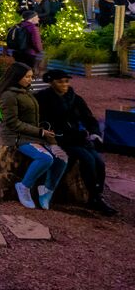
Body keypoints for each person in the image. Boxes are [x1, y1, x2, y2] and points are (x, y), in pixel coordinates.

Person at [35, 69, 117, 216]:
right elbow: (42, 121)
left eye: (66, 81)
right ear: (52, 82)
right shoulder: (43, 98)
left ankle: (97, 195)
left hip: (77, 137)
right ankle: (94, 197)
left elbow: (88, 118)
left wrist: (94, 133)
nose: (64, 84)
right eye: (60, 81)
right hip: (59, 138)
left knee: (99, 162)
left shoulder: (74, 98)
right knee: (87, 160)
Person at [0, 62, 68, 210]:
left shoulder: (25, 91)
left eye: (31, 76)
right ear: (17, 77)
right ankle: (23, 187)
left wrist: (44, 132)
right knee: (45, 158)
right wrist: (40, 132)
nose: (30, 80)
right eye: (27, 77)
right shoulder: (8, 95)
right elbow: (12, 123)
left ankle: (46, 191)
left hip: (32, 133)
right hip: (16, 136)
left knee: (62, 157)